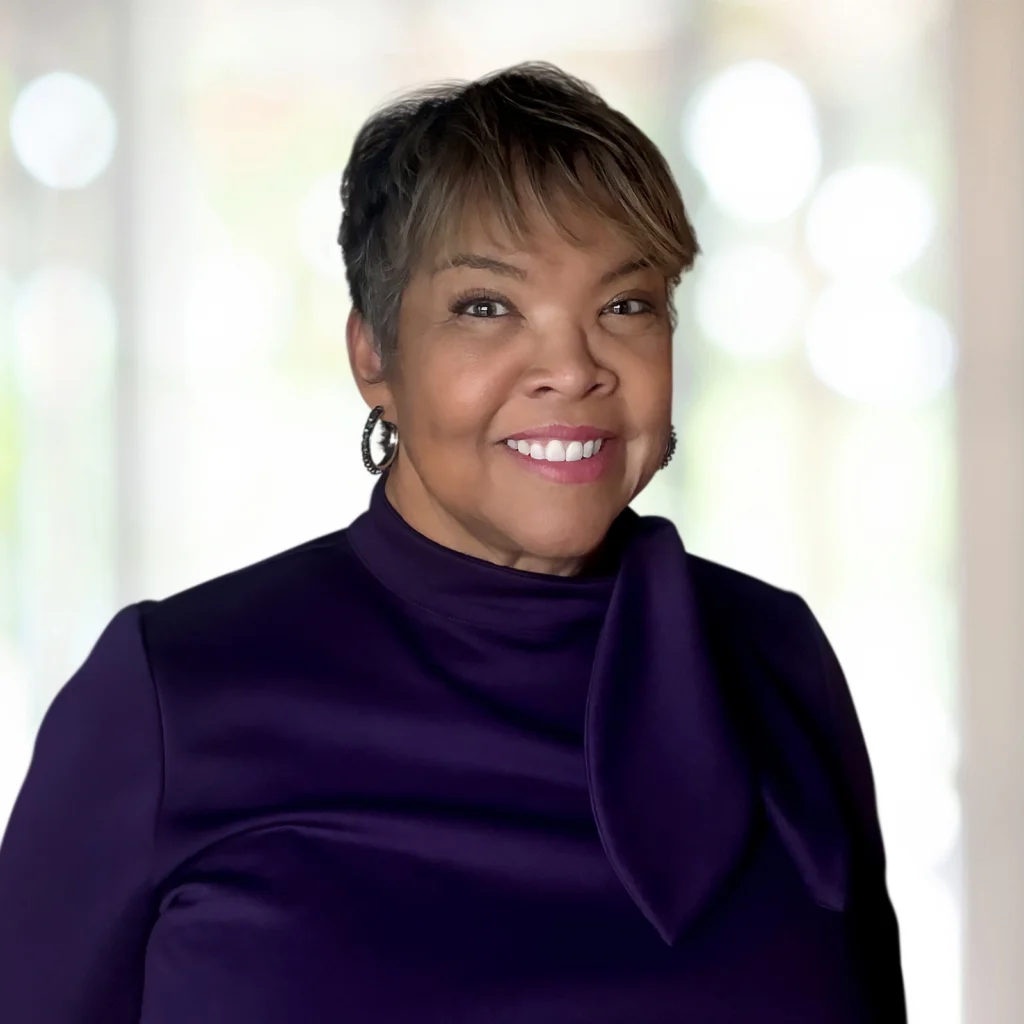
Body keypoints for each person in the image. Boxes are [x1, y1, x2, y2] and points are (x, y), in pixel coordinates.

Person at [0, 62, 906, 1022]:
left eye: (625, 305)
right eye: (487, 306)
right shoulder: (173, 693)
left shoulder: (774, 660)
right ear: (374, 355)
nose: (571, 368)